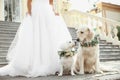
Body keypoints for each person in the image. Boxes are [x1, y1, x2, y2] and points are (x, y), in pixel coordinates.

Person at [0, 0, 72, 77]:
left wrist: (53, 12)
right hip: (36, 11)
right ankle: (33, 63)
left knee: (48, 37)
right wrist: (30, 12)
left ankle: (48, 63)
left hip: (47, 12)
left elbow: (50, 3)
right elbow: (29, 1)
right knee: (35, 36)